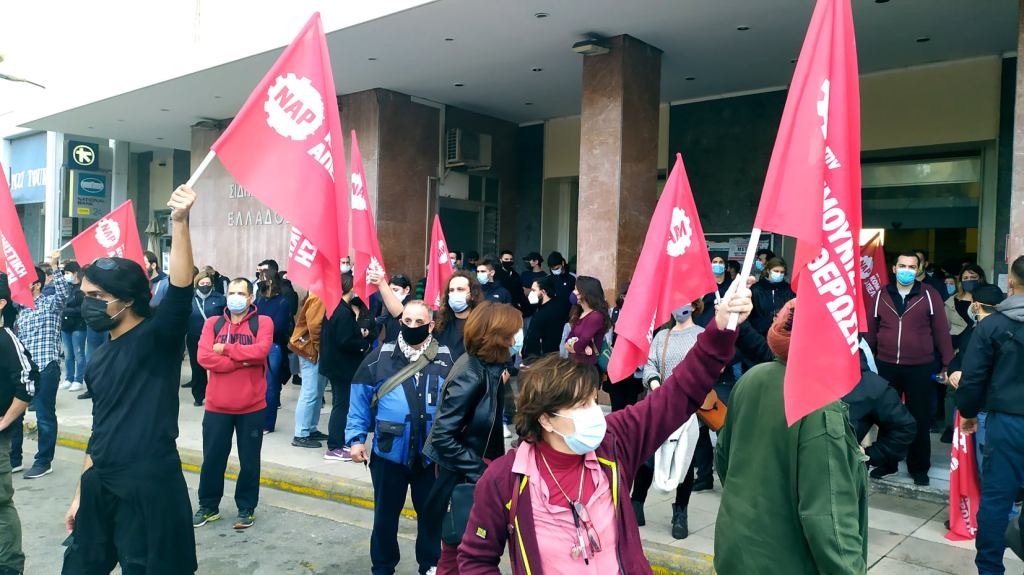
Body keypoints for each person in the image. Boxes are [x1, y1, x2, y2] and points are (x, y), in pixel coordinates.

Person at [457, 282, 752, 574]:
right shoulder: (504, 480)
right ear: (545, 418)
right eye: (580, 405)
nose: (594, 413)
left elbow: (679, 392)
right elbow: (475, 561)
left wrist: (722, 328)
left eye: (592, 401)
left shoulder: (615, 441)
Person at [62, 185, 199, 574]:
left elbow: (180, 290)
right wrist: (80, 495)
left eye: (97, 295)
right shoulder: (99, 357)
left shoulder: (158, 339)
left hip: (149, 486)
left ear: (126, 300)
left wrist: (180, 221)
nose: (87, 302)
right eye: (85, 293)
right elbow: (99, 429)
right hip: (100, 484)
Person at [715, 299, 868, 574]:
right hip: (785, 561)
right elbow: (828, 517)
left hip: (735, 550)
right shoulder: (820, 405)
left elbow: (724, 462)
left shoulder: (750, 380)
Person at [347, 299, 456, 575]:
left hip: (431, 456)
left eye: (419, 322)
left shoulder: (447, 358)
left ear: (431, 325)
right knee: (384, 518)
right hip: (388, 454)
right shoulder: (380, 356)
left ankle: (431, 565)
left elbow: (459, 404)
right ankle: (383, 567)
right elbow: (359, 398)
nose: (412, 326)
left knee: (432, 517)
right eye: (407, 321)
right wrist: (356, 439)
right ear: (400, 321)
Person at [423, 302, 522, 573]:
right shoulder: (471, 374)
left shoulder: (490, 369)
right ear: (497, 335)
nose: (517, 338)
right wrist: (483, 472)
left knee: (466, 550)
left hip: (475, 468)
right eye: (513, 333)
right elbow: (443, 437)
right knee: (459, 551)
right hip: (463, 473)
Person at [957, 256, 1024, 575]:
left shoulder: (993, 325)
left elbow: (973, 378)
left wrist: (968, 413)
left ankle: (990, 569)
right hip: (1006, 420)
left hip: (1006, 422)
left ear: (1010, 283)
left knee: (997, 499)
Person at [865, 251, 953, 485]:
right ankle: (887, 463)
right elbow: (872, 332)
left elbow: (942, 331)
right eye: (902, 265)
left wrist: (947, 364)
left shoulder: (930, 295)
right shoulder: (881, 295)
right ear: (894, 269)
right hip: (886, 365)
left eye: (912, 267)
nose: (907, 270)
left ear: (919, 269)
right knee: (886, 418)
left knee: (919, 419)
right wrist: (864, 362)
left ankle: (919, 467)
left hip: (921, 367)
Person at [192, 277, 272, 530]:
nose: (235, 297)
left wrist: (225, 349)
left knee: (250, 461)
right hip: (217, 406)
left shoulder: (263, 322)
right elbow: (203, 357)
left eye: (241, 293)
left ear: (250, 298)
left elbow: (261, 352)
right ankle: (208, 506)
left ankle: (246, 508)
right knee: (213, 458)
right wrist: (241, 360)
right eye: (232, 292)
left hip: (252, 406)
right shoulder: (213, 323)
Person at [632, 301, 706, 539]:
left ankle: (680, 512)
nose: (680, 307)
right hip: (661, 405)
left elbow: (706, 369)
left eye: (685, 302)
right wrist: (655, 385)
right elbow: (650, 364)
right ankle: (636, 505)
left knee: (685, 459)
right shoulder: (662, 335)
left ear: (695, 306)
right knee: (647, 457)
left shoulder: (701, 335)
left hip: (688, 408)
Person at [10, 250, 68, 479]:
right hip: (25, 371)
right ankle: (14, 459)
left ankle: (43, 461)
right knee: (16, 415)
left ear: (35, 285)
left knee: (44, 415)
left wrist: (55, 265)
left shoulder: (50, 304)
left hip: (46, 367)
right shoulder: (20, 310)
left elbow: (64, 293)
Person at [945, 285, 1005, 458]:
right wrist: (954, 372)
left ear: (976, 306)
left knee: (985, 461)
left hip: (985, 409)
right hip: (971, 405)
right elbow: (958, 358)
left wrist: (967, 410)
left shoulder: (999, 331)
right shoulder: (972, 329)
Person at [0, 275, 34, 575]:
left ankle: (9, 566)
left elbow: (27, 386)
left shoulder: (7, 340)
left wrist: (4, 422)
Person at [843, 346, 916, 479]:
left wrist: (869, 454)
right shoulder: (801, 375)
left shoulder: (869, 384)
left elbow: (905, 427)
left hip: (845, 477)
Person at [321, 273, 373, 461]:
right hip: (341, 367)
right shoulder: (342, 311)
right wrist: (363, 344)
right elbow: (344, 340)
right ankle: (335, 446)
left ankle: (339, 442)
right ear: (351, 288)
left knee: (341, 404)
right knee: (341, 406)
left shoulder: (337, 308)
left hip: (337, 366)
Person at [289, 290, 328, 448]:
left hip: (313, 350)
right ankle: (301, 433)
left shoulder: (321, 294)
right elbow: (315, 326)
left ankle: (310, 428)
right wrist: (320, 349)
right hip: (311, 351)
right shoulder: (320, 296)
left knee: (317, 392)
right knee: (310, 392)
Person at [255, 270, 292, 434]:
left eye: (263, 278)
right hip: (256, 345)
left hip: (273, 347)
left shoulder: (282, 302)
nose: (260, 281)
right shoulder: (259, 300)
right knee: (256, 384)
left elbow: (278, 327)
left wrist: (261, 332)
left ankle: (267, 423)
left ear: (271, 281)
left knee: (270, 386)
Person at [186, 271, 226, 407]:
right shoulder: (190, 298)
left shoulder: (219, 298)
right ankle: (198, 395)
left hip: (215, 339)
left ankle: (215, 394)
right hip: (194, 337)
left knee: (214, 366)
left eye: (208, 284)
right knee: (196, 366)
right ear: (197, 284)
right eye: (202, 283)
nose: (205, 286)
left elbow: (225, 317)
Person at [432, 271, 484, 360]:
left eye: (460, 289)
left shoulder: (482, 324)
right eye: (451, 290)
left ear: (472, 295)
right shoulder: (439, 321)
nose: (455, 293)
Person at [564, 276, 610, 367]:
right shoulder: (580, 312)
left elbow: (578, 346)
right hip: (577, 364)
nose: (574, 292)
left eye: (576, 289)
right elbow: (566, 342)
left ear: (585, 293)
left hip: (588, 368)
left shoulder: (595, 317)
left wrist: (576, 345)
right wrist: (582, 346)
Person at [748, 256, 795, 336]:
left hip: (783, 336)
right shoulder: (756, 289)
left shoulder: (789, 290)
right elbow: (750, 317)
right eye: (776, 271)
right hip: (760, 336)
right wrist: (770, 320)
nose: (779, 274)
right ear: (768, 270)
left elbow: (794, 314)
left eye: (782, 272)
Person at [522, 276, 564, 361]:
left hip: (540, 359)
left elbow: (533, 339)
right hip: (550, 357)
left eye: (534, 290)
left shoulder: (543, 313)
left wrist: (526, 354)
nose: (531, 293)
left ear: (543, 292)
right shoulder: (556, 306)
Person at [944, 264, 987, 349]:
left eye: (973, 277)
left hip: (979, 348)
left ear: (980, 279)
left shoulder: (987, 300)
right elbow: (944, 329)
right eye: (966, 278)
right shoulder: (951, 302)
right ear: (961, 280)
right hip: (955, 348)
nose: (969, 280)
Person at [60, 261, 87, 394]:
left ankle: (78, 379)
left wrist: (65, 310)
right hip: (65, 326)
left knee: (79, 354)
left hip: (78, 325)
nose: (66, 276)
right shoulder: (67, 288)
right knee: (68, 354)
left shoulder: (82, 288)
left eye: (67, 273)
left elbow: (82, 309)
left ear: (75, 273)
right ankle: (69, 378)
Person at [695, 255, 733, 327]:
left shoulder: (731, 285)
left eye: (721, 262)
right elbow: (696, 305)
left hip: (724, 325)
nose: (717, 264)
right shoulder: (702, 283)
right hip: (703, 325)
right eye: (715, 262)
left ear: (725, 267)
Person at [376, 275, 412, 344]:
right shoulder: (388, 304)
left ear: (407, 289)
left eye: (395, 290)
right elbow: (381, 320)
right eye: (390, 290)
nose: (391, 293)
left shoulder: (413, 306)